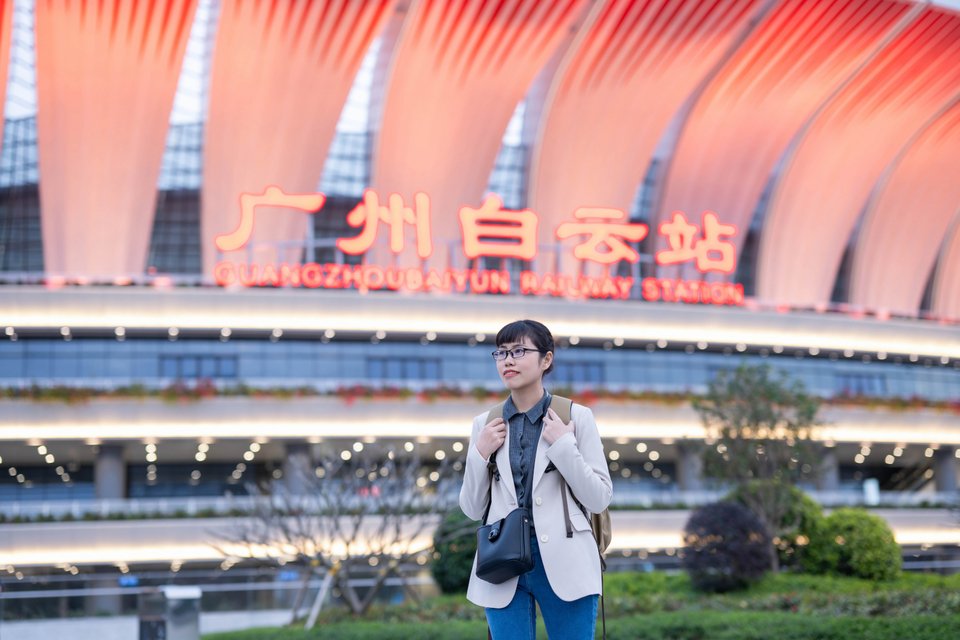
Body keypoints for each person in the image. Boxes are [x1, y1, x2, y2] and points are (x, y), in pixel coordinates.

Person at [459, 319, 613, 639]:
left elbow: (599, 497)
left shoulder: (575, 417)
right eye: (501, 353)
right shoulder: (484, 424)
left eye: (519, 351)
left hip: (567, 559)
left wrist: (563, 445)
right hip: (503, 563)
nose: (508, 360)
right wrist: (479, 454)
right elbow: (473, 509)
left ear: (546, 360)